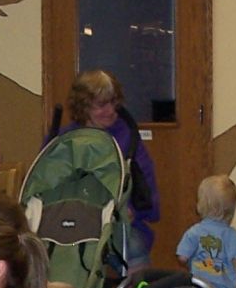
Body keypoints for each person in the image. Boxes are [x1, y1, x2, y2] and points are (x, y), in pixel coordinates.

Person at [56, 70, 159, 268]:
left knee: (134, 249)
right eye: (102, 104)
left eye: (114, 102)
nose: (111, 110)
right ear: (83, 106)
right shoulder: (63, 142)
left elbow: (145, 181)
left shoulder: (128, 137)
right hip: (71, 223)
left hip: (119, 225)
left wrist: (133, 211)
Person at [177, 174, 236, 288]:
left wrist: (191, 263)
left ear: (201, 204)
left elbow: (182, 257)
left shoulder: (194, 232)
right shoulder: (234, 236)